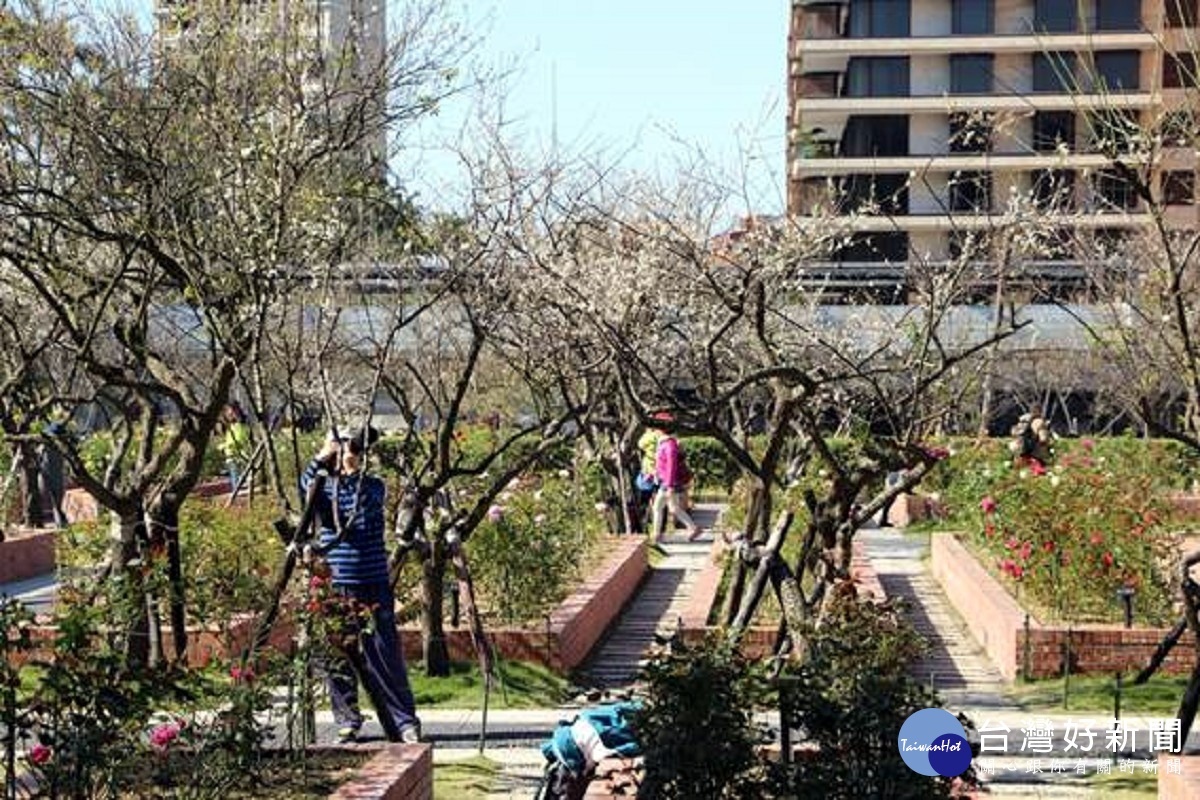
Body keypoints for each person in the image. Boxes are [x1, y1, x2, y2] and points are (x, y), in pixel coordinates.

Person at [301, 427, 421, 744]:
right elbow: (306, 490)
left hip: (372, 582)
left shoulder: (373, 486)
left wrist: (351, 467)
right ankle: (348, 721)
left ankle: (403, 720)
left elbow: (361, 515)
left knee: (384, 652)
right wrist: (322, 456)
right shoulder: (322, 487)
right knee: (338, 655)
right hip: (336, 582)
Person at [652, 431, 700, 543]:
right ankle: (693, 528)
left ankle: (657, 535)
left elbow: (671, 466)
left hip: (669, 483)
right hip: (668, 481)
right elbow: (662, 463)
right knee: (671, 508)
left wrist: (669, 486)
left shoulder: (669, 445)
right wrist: (656, 473)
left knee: (660, 507)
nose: (655, 432)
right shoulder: (665, 443)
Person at [219, 403, 251, 493]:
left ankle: (237, 489)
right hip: (231, 452)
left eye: (230, 413)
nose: (228, 415)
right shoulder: (232, 426)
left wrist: (225, 445)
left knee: (236, 470)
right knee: (234, 471)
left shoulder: (240, 426)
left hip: (237, 453)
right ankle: (237, 488)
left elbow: (239, 440)